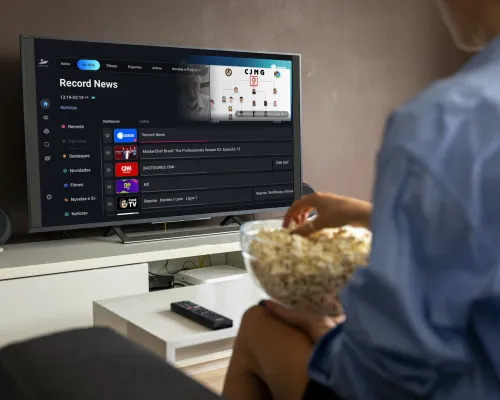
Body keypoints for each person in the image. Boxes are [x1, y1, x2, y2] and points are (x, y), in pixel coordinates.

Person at [223, 1, 500, 399]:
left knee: (258, 325)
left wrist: (327, 333)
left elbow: (388, 371)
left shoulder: (445, 120)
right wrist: (365, 214)